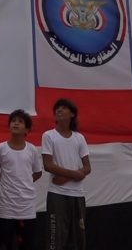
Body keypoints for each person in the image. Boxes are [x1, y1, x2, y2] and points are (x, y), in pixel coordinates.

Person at [40, 98, 90, 250]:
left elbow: (87, 167)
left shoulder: (79, 138)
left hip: (77, 194)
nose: (59, 110)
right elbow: (48, 165)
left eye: (63, 108)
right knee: (55, 238)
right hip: (57, 194)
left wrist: (66, 177)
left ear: (72, 114)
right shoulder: (49, 135)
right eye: (57, 108)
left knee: (78, 239)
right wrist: (74, 175)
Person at [0, 110, 43, 250]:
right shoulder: (0, 149)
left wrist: (24, 181)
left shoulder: (32, 150)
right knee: (3, 245)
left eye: (20, 121)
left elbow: (38, 172)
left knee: (27, 245)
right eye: (13, 121)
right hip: (6, 207)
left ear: (27, 130)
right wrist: (9, 180)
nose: (16, 123)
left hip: (27, 207)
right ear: (9, 126)